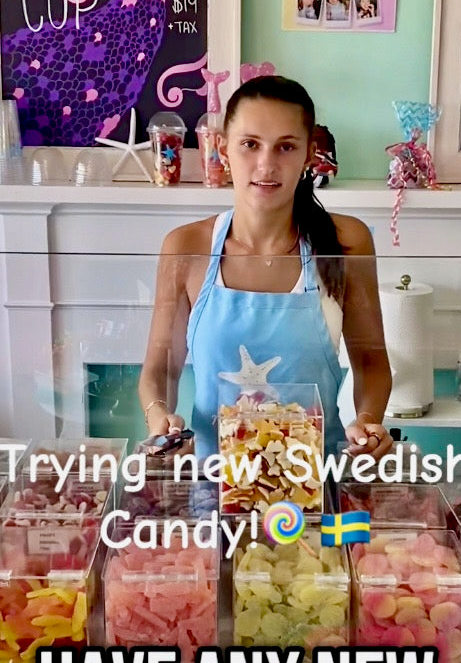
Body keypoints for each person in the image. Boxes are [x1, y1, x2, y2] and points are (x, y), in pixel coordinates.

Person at [139, 74, 393, 462]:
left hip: (315, 479)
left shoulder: (347, 241)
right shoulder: (186, 247)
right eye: (250, 145)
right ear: (223, 150)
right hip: (216, 483)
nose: (266, 164)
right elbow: (160, 369)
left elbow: (372, 362)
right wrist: (159, 415)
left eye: (286, 147)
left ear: (309, 155)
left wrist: (369, 420)